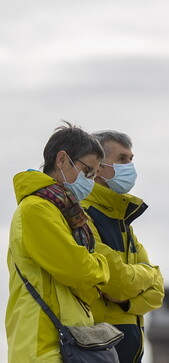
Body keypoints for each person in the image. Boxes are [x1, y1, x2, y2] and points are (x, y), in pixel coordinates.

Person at [6, 122, 110, 362]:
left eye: (94, 175)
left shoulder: (62, 212)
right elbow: (80, 270)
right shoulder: (36, 210)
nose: (91, 181)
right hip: (43, 349)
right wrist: (102, 266)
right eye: (87, 171)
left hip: (63, 346)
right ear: (62, 160)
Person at [81, 130, 164, 363]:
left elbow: (158, 291)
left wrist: (129, 301)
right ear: (96, 167)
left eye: (130, 159)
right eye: (121, 159)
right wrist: (147, 276)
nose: (129, 166)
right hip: (99, 351)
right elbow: (116, 283)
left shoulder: (123, 225)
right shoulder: (83, 217)